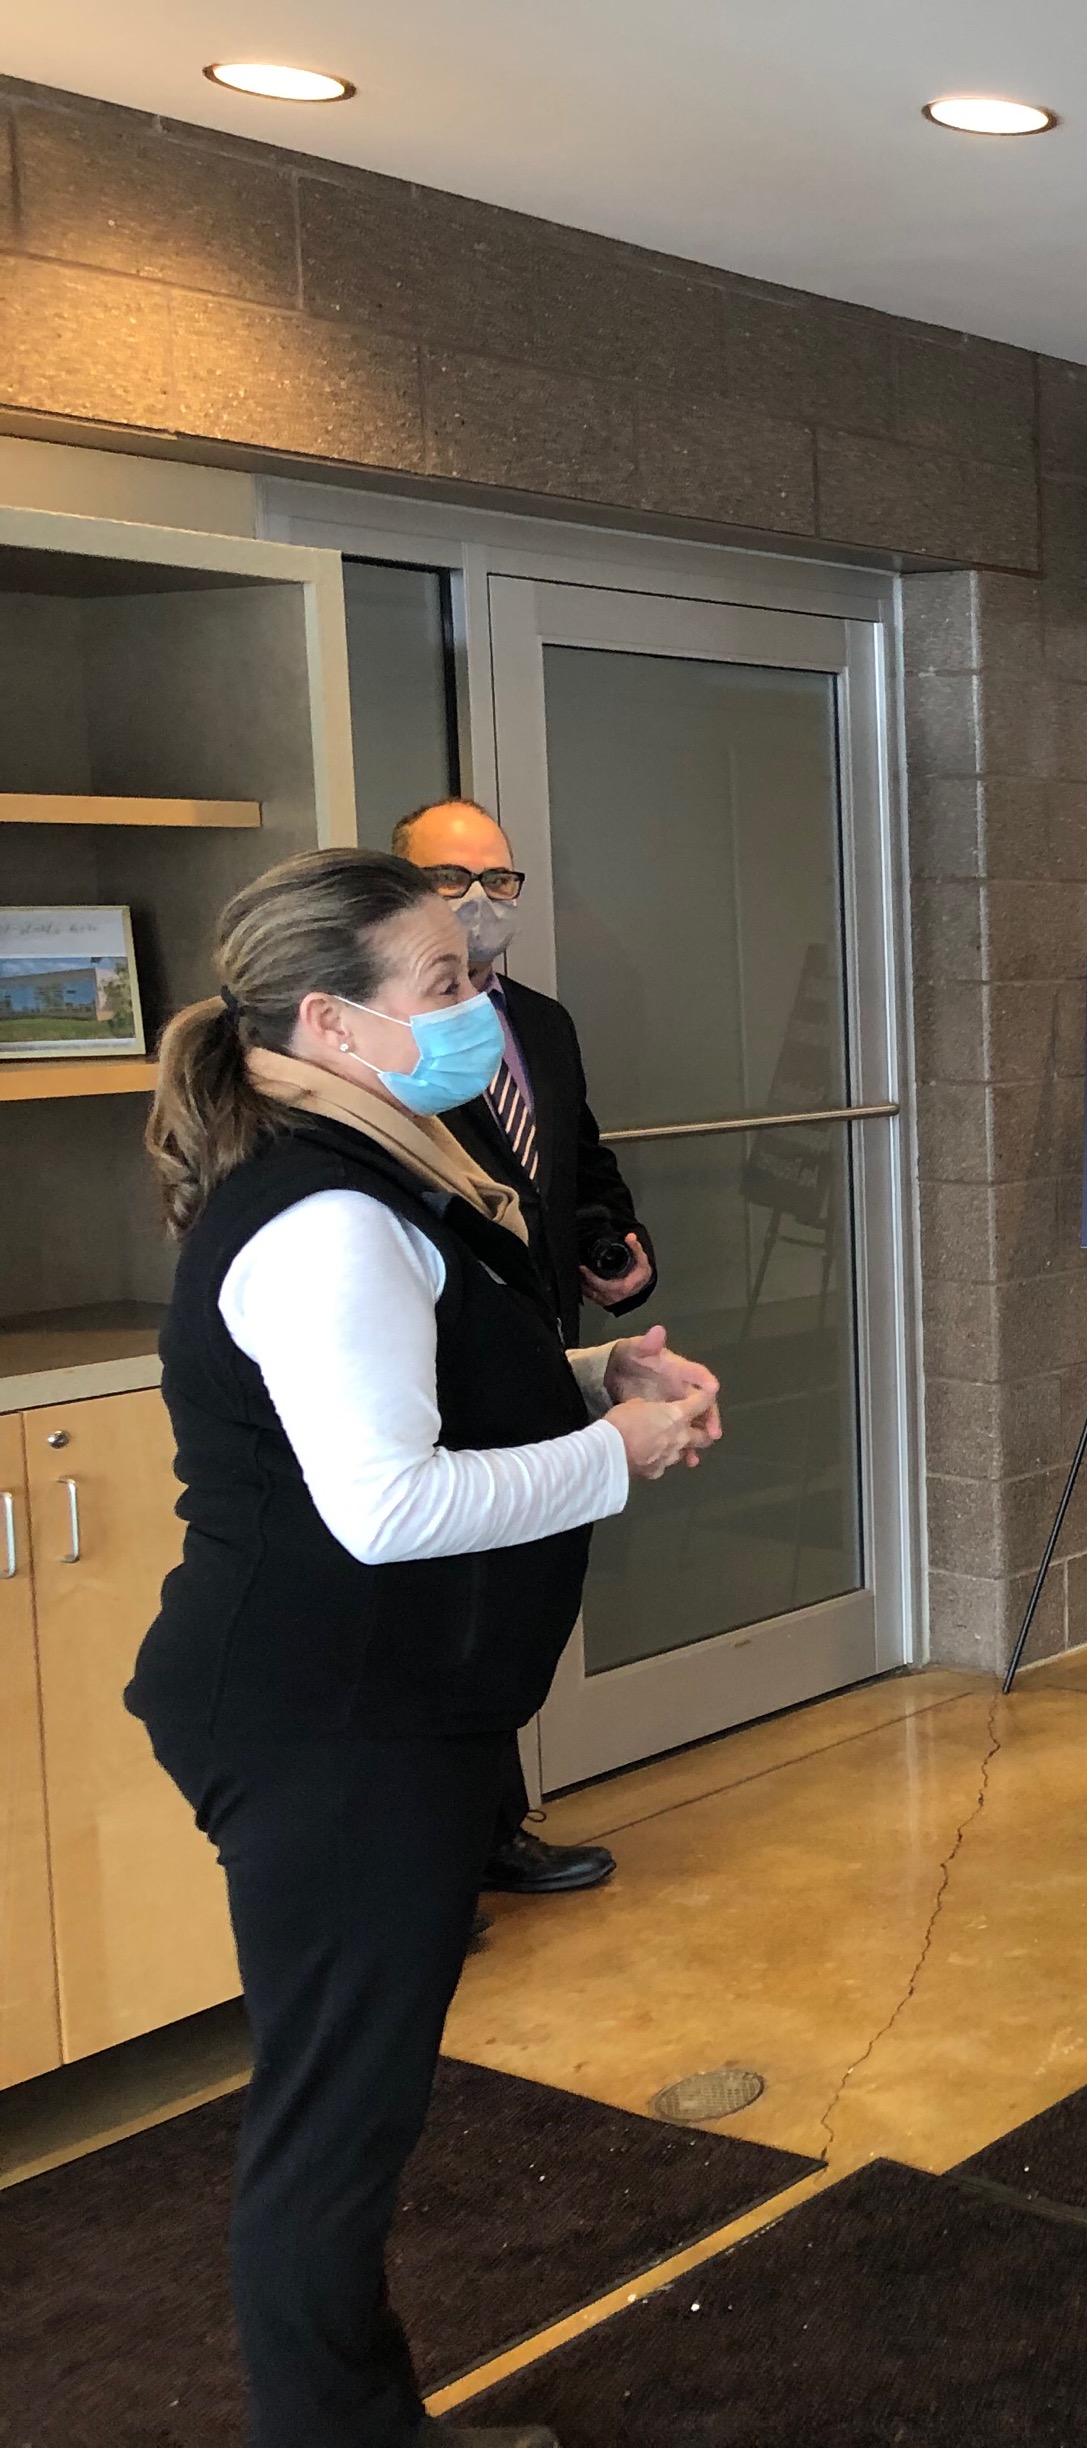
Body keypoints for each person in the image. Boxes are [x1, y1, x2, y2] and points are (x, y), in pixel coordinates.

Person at [130, 848, 722, 2448]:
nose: (479, 1014)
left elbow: (431, 1389)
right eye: (445, 986)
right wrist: (625, 1457)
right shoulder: (324, 1213)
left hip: (388, 1709)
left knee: (356, 2118)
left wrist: (591, 1383)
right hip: (329, 1725)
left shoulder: (380, 1164)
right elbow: (385, 1506)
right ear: (332, 1021)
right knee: (333, 2136)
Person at [393, 797, 652, 1901]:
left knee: (525, 1593)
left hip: (548, 1343)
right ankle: (459, 1844)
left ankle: (493, 1824)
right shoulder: (385, 1041)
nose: (481, 903)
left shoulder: (540, 1021)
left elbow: (576, 1160)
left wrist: (617, 1248)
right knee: (453, 1605)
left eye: (497, 882)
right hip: (439, 1360)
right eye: (452, 882)